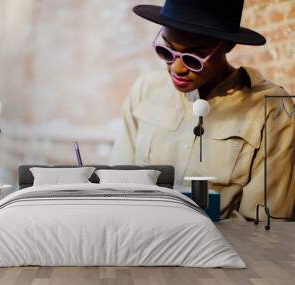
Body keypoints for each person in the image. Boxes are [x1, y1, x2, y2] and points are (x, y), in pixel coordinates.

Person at [110, 0, 295, 220]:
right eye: (166, 51)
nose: (177, 68)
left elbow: (265, 226)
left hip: (221, 251)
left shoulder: (272, 109)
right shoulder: (144, 91)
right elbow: (117, 189)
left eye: (193, 58)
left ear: (227, 45)